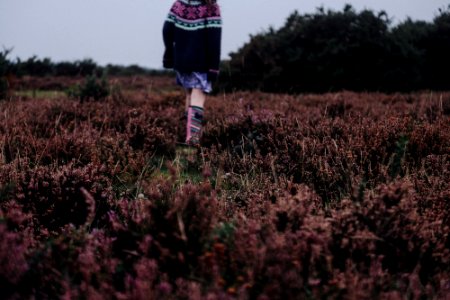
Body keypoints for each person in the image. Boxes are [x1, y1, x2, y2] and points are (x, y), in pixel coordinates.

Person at [162, 0, 222, 146]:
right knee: (198, 95)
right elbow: (214, 40)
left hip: (181, 61)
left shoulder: (178, 5)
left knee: (189, 94)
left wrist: (169, 53)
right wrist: (214, 67)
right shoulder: (211, 7)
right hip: (201, 62)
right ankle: (192, 139)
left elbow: (166, 30)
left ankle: (185, 135)